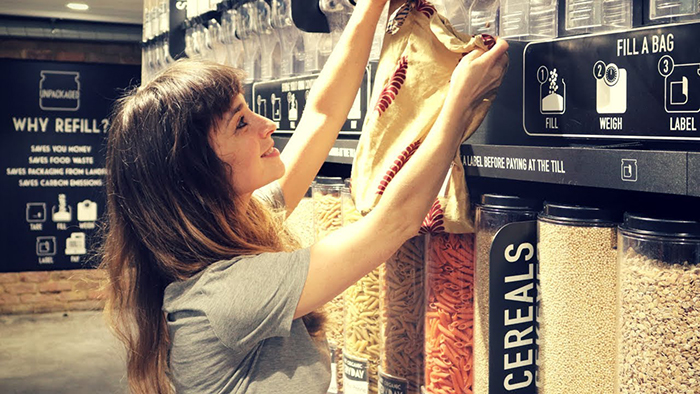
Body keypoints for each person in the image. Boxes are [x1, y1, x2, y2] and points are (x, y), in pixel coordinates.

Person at [101, 0, 509, 392]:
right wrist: (458, 102)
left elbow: (322, 116)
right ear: (197, 169)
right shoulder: (226, 292)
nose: (268, 123)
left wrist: (370, 7)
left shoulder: (235, 224)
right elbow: (394, 223)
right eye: (241, 123)